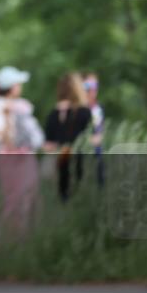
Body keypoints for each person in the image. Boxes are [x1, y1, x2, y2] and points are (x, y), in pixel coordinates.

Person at [0, 66, 43, 247]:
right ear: (10, 86)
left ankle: (23, 244)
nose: (20, 86)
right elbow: (1, 138)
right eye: (18, 83)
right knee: (14, 202)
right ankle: (1, 246)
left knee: (29, 201)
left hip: (26, 157)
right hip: (11, 159)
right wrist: (9, 116)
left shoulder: (22, 105)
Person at [43, 72, 92, 202]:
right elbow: (90, 139)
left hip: (60, 161)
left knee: (62, 198)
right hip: (80, 161)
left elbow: (47, 145)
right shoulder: (85, 112)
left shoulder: (53, 114)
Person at [82, 71, 106, 187]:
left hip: (96, 153)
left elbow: (100, 129)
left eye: (95, 86)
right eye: (87, 86)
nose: (92, 90)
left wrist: (98, 137)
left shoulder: (98, 108)